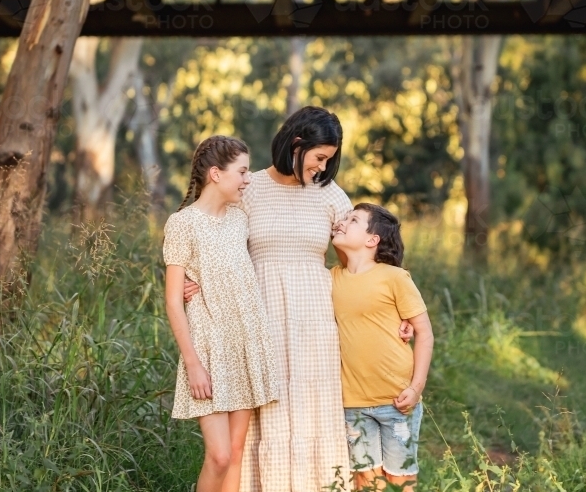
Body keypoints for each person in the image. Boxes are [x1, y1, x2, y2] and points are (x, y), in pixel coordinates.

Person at [182, 107, 413, 491]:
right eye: (320, 157)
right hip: (257, 318)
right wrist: (195, 281)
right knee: (260, 419)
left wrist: (395, 312)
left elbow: (362, 262)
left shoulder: (331, 196)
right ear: (296, 143)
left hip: (316, 323)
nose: (323, 168)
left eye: (329, 160)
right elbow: (211, 238)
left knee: (313, 412)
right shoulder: (248, 188)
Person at [163, 135, 279, 492]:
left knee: (237, 450)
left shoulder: (239, 217)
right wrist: (193, 363)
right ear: (216, 173)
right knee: (220, 456)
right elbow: (172, 301)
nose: (248, 179)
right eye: (242, 171)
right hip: (208, 349)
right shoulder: (182, 223)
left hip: (244, 342)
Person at [330, 204, 434, 492]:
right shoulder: (331, 278)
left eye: (352, 220)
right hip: (353, 404)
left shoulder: (395, 278)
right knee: (367, 481)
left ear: (372, 239)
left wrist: (416, 388)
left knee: (401, 482)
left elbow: (424, 333)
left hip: (396, 401)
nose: (342, 223)